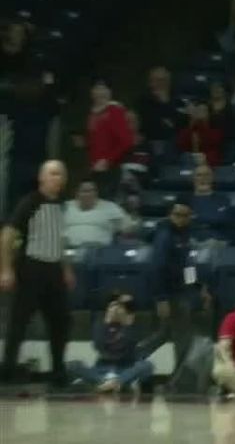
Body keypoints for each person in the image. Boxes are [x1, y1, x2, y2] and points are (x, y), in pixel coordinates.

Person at [0, 160, 73, 386]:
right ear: (42, 178)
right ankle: (6, 373)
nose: (56, 178)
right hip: (31, 268)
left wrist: (66, 268)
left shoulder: (62, 206)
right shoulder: (30, 202)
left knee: (61, 323)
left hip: (54, 271)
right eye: (52, 174)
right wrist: (6, 269)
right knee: (18, 324)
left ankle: (58, 373)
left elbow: (61, 241)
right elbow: (8, 235)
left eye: (60, 174)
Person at [151, 203, 207, 383]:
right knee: (182, 338)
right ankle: (178, 380)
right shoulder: (165, 236)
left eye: (185, 215)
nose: (181, 219)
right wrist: (161, 298)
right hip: (171, 295)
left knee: (164, 334)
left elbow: (188, 266)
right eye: (177, 214)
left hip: (183, 293)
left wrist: (196, 288)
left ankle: (133, 358)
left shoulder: (185, 236)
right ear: (170, 215)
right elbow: (158, 268)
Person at [67, 290, 153, 393]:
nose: (115, 310)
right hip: (101, 370)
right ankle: (110, 383)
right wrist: (106, 322)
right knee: (73, 365)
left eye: (119, 307)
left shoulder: (130, 326)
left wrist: (125, 324)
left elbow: (128, 350)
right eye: (112, 307)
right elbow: (99, 346)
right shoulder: (100, 325)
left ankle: (110, 383)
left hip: (124, 369)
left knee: (146, 365)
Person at [87, 79, 134, 198]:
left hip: (111, 169)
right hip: (95, 169)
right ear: (92, 92)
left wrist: (107, 160)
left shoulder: (115, 111)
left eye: (104, 89)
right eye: (97, 89)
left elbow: (126, 141)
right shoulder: (91, 113)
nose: (100, 92)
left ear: (110, 92)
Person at [64, 179, 136, 248]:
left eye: (92, 191)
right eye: (85, 191)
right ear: (77, 193)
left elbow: (128, 226)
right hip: (68, 250)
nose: (89, 194)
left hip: (99, 251)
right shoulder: (65, 207)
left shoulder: (110, 207)